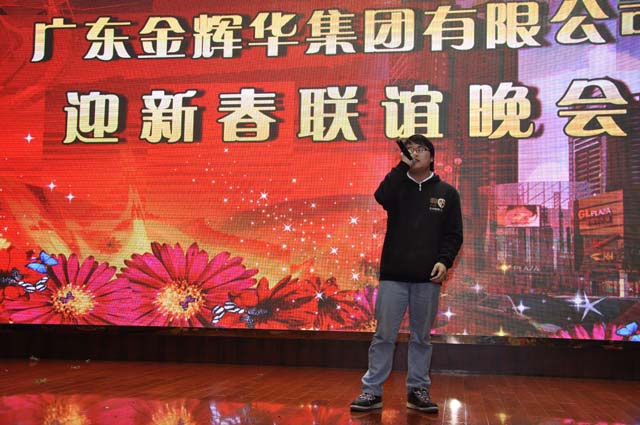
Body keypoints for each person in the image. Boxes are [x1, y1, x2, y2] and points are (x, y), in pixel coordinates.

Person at [350, 134, 463, 413]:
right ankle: (371, 391)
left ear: (432, 157)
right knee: (384, 336)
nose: (415, 153)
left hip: (427, 278)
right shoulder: (397, 186)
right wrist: (401, 167)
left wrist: (444, 261)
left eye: (421, 149)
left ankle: (417, 390)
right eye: (410, 149)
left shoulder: (447, 193)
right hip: (394, 276)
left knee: (421, 338)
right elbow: (381, 196)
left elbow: (453, 234)